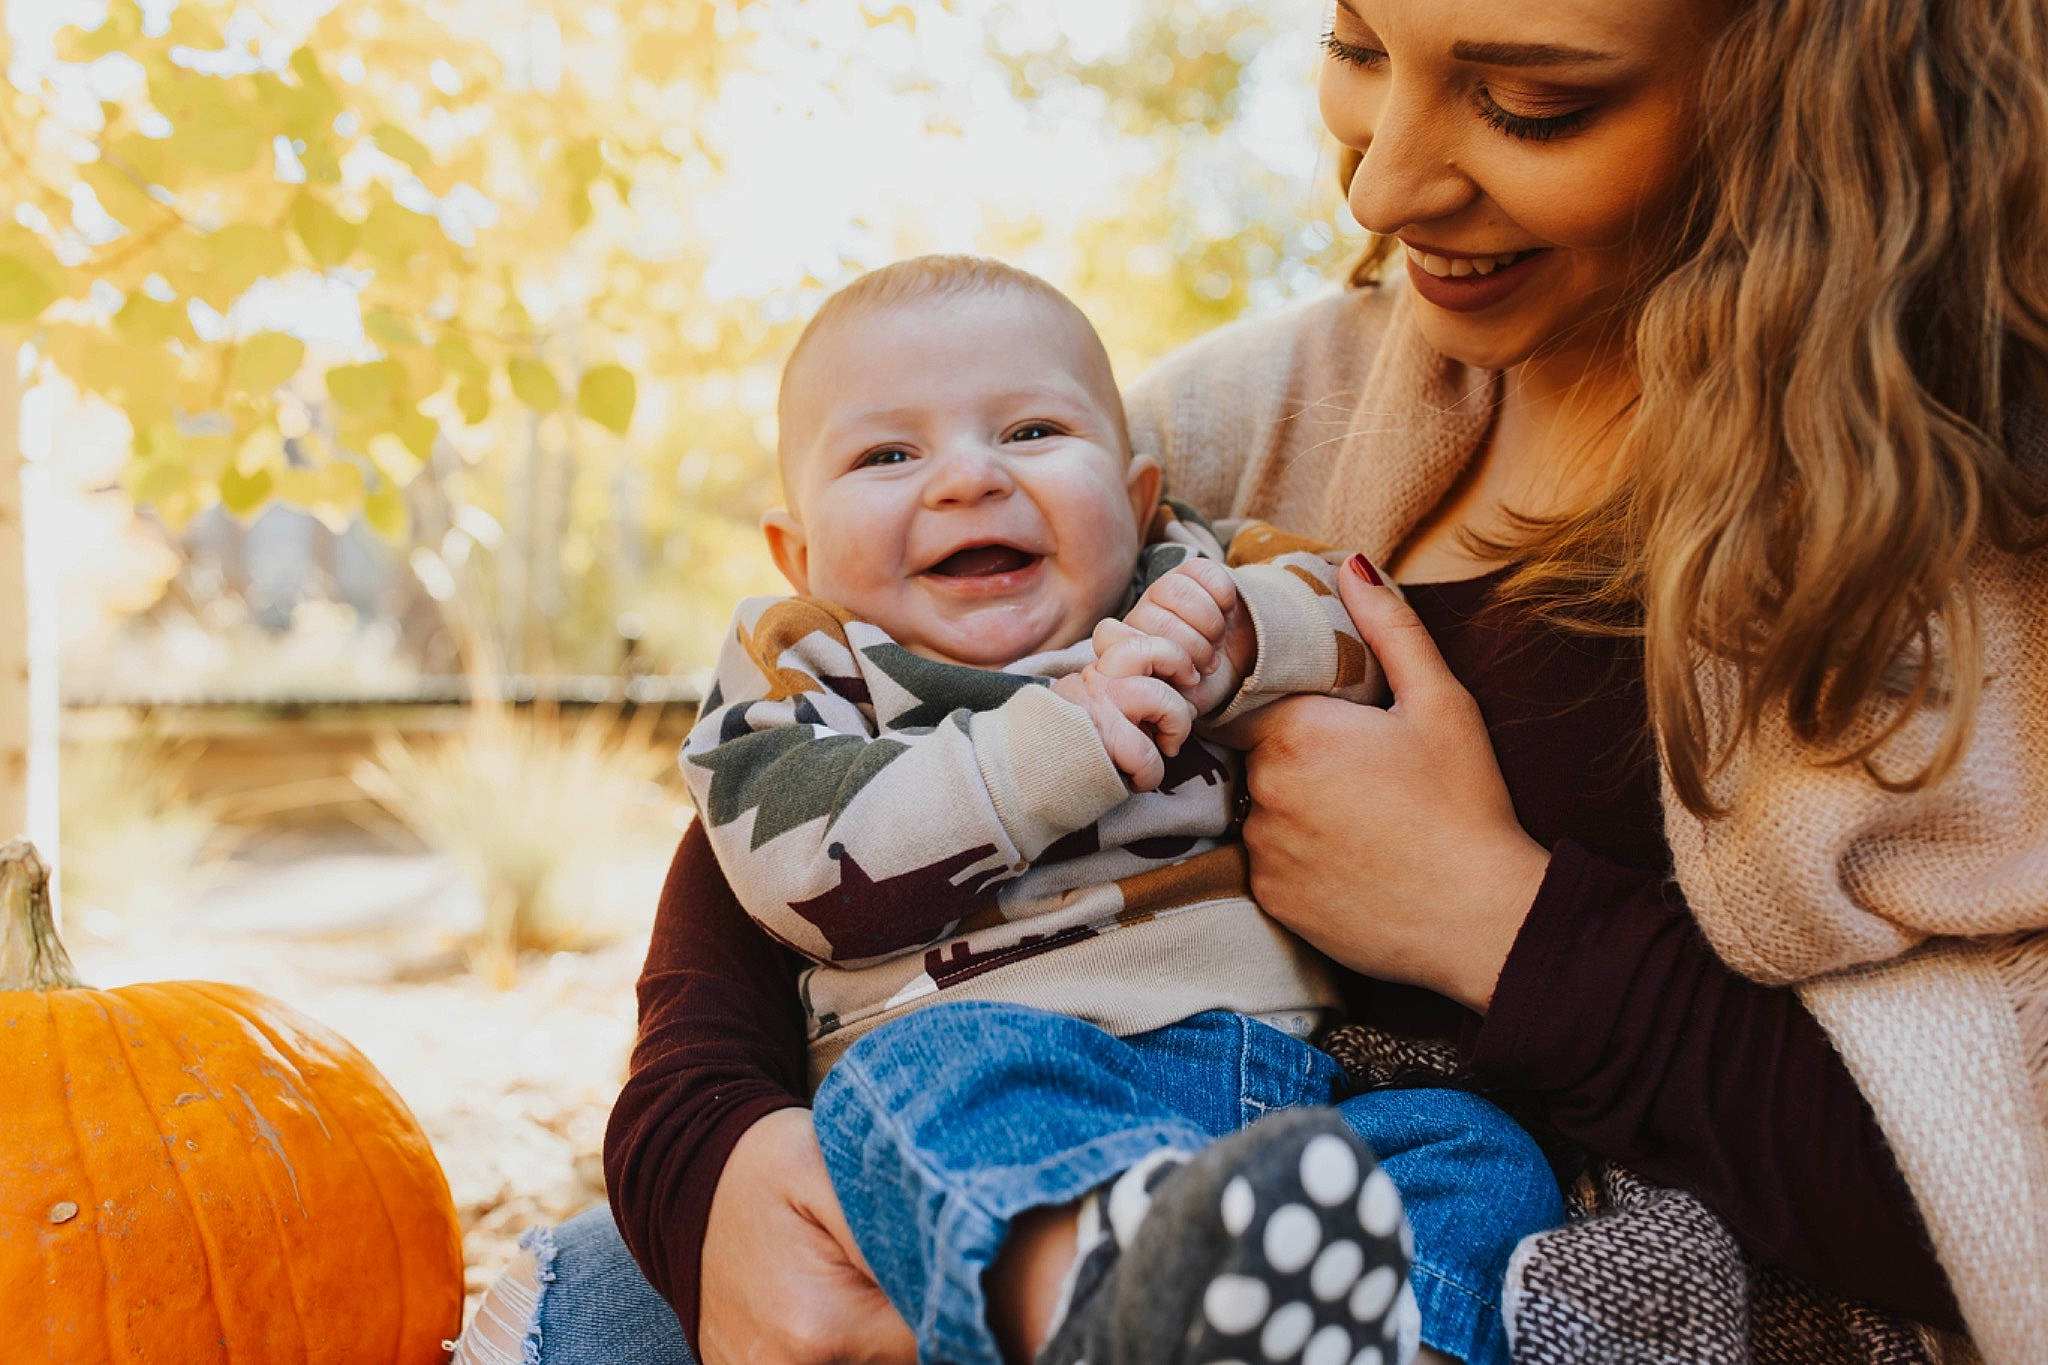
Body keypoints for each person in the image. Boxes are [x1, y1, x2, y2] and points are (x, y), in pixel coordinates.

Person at [459, 0, 2048, 1360]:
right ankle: (1097, 1298)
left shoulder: (1960, 552)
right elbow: (775, 838)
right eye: (1357, 45)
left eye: (1529, 101)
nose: (1381, 178)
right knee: (629, 1269)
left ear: (1808, 90)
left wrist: (1487, 915)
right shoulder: (1271, 408)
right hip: (1043, 1117)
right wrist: (706, 1152)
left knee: (1472, 1169)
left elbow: (1996, 1189)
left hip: (1425, 1159)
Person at [671, 252, 1573, 1365]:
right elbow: (804, 873)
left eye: (1032, 432)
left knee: (1470, 1151)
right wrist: (1059, 742)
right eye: (887, 454)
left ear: (1140, 497)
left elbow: (1358, 628)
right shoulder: (805, 662)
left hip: (1283, 1083)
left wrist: (1242, 641)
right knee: (911, 1089)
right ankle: (1103, 1307)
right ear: (798, 551)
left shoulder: (1184, 574)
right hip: (991, 1072)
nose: (968, 479)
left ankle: (1368, 1342)